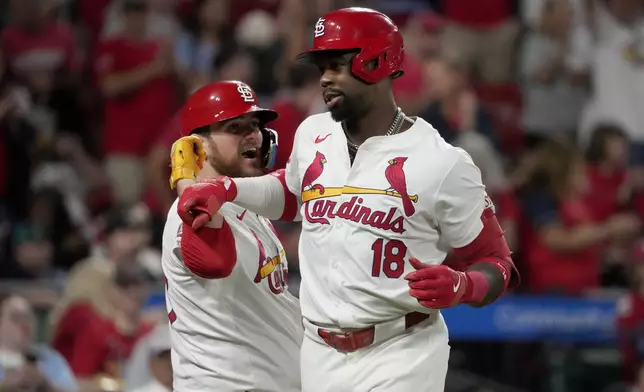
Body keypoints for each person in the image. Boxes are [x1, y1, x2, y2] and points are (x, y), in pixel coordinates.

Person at [175, 8, 520, 392]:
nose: (325, 78)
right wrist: (228, 189)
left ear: (378, 61)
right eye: (322, 66)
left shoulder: (443, 163)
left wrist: (463, 285)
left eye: (338, 65)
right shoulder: (313, 133)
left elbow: (498, 264)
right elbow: (292, 195)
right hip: (321, 355)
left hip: (402, 351)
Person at [162, 80, 302, 391]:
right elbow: (215, 260)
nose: (254, 135)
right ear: (197, 146)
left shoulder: (248, 205)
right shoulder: (187, 216)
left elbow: (306, 191)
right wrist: (189, 182)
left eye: (255, 125)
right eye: (235, 127)